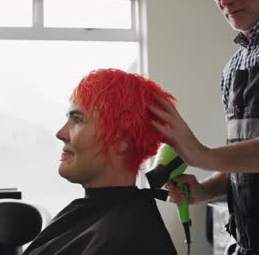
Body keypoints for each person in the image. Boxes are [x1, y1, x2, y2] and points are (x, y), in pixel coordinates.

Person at [149, 0, 259, 254]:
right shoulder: (232, 68)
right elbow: (248, 159)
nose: (224, 0)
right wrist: (206, 190)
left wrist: (202, 155)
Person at [22, 68, 178, 255]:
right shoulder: (100, 218)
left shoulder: (127, 240)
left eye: (78, 120)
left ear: (121, 141)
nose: (61, 133)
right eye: (68, 119)